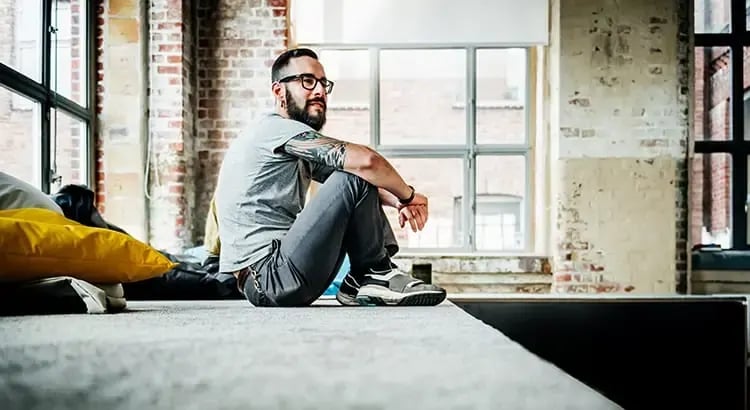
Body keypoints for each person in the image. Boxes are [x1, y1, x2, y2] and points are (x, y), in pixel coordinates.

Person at [215, 48, 447, 307]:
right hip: (269, 277)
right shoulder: (273, 130)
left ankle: (364, 278)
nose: (319, 91)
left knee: (353, 174)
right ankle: (375, 274)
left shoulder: (290, 143)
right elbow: (367, 162)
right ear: (278, 91)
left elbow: (355, 186)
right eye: (307, 81)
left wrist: (398, 202)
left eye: (323, 84)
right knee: (356, 170)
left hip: (284, 271)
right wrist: (409, 195)